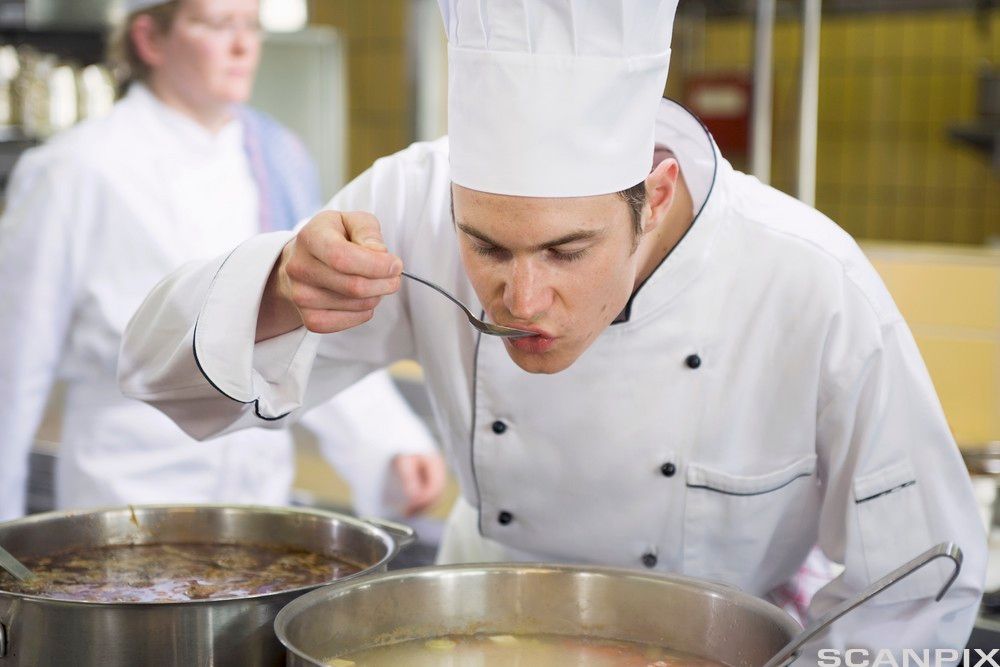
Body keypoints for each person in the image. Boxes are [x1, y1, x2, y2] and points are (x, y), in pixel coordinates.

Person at [119, 0, 987, 656]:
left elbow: (921, 580)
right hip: (470, 632)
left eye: (567, 251)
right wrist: (278, 286)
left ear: (655, 198)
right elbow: (156, 373)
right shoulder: (411, 202)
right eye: (484, 244)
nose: (520, 298)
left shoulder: (810, 281)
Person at [0, 0, 447, 522]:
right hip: (128, 500)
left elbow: (303, 328)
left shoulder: (275, 157)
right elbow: (14, 362)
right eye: (216, 25)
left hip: (258, 503)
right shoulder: (75, 170)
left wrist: (387, 441)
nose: (243, 47)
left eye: (250, 26)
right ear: (150, 39)